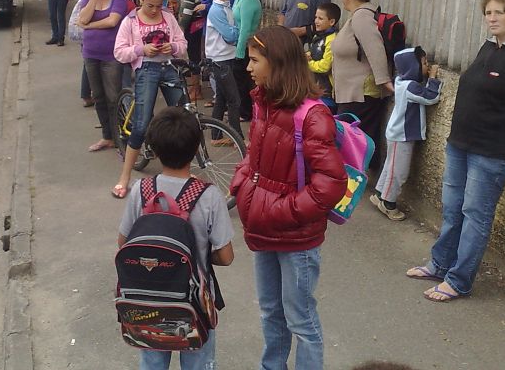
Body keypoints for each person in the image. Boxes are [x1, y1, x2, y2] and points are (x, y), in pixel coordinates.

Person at [407, 0, 505, 302]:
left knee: (475, 214)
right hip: (460, 144)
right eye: (488, 13)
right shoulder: (488, 48)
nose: (492, 18)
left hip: (492, 153)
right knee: (452, 209)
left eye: (499, 12)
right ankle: (440, 264)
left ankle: (459, 281)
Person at [229, 25, 348, 370]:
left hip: (296, 238)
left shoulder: (311, 115)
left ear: (278, 62)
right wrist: (242, 184)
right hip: (264, 228)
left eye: (255, 60)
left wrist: (286, 210)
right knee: (270, 311)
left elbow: (332, 182)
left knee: (300, 319)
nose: (248, 67)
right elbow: (254, 155)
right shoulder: (263, 103)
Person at [118, 107, 234, 370]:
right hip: (194, 304)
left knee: (152, 362)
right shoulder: (209, 195)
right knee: (198, 361)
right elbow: (226, 257)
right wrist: (197, 256)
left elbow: (123, 244)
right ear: (196, 149)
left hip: (147, 301)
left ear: (154, 149)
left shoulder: (141, 190)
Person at [113, 0, 188, 199]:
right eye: (150, 6)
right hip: (146, 69)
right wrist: (141, 50)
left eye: (158, 5)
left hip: (169, 67)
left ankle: (183, 171)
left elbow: (182, 44)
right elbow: (119, 52)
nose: (155, 10)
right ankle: (124, 176)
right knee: (141, 124)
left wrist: (173, 47)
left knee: (184, 120)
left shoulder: (169, 17)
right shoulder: (130, 21)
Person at [331, 0, 393, 172]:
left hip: (360, 92)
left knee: (352, 139)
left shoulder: (362, 17)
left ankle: (356, 177)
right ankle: (360, 174)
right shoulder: (357, 16)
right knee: (358, 138)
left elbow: (375, 48)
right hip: (354, 91)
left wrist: (384, 80)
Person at [371, 47, 442, 220]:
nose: (427, 66)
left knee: (391, 166)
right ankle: (388, 203)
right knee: (399, 172)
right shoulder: (410, 86)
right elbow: (430, 98)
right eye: (424, 63)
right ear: (413, 67)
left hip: (398, 133)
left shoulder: (400, 82)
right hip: (401, 135)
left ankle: (380, 194)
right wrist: (433, 79)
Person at [78, 0, 129, 153]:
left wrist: (89, 26)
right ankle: (107, 136)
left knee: (113, 97)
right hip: (91, 53)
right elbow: (82, 18)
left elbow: (112, 21)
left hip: (111, 55)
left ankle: (120, 137)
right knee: (98, 96)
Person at [205, 0, 243, 144]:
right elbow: (230, 36)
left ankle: (216, 136)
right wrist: (240, 29)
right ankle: (237, 138)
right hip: (220, 60)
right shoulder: (217, 10)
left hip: (225, 56)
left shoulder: (225, 6)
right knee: (234, 100)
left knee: (221, 98)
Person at [231, 0, 262, 122]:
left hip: (245, 46)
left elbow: (245, 29)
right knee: (239, 81)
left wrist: (239, 52)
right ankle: (241, 109)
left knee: (243, 82)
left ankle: (245, 112)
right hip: (239, 43)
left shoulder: (249, 0)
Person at [179, 0, 210, 99]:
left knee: (193, 55)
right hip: (200, 21)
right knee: (196, 53)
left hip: (192, 22)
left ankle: (195, 90)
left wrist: (182, 25)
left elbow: (188, 6)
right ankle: (196, 88)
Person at [305, 2, 342, 112]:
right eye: (316, 17)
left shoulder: (332, 40)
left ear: (331, 22)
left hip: (327, 91)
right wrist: (307, 55)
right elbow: (313, 52)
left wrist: (306, 63)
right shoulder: (318, 35)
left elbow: (325, 66)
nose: (316, 21)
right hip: (315, 86)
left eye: (320, 18)